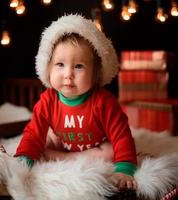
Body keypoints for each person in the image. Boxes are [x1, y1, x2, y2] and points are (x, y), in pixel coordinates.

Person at [15, 14, 137, 190]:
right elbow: (33, 132)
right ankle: (54, 153)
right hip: (61, 140)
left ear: (95, 74)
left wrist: (125, 167)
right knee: (41, 139)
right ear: (47, 68)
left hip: (96, 144)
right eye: (60, 64)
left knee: (111, 152)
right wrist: (25, 156)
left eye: (79, 66)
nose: (68, 74)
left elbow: (121, 134)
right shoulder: (48, 100)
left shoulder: (103, 102)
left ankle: (58, 157)